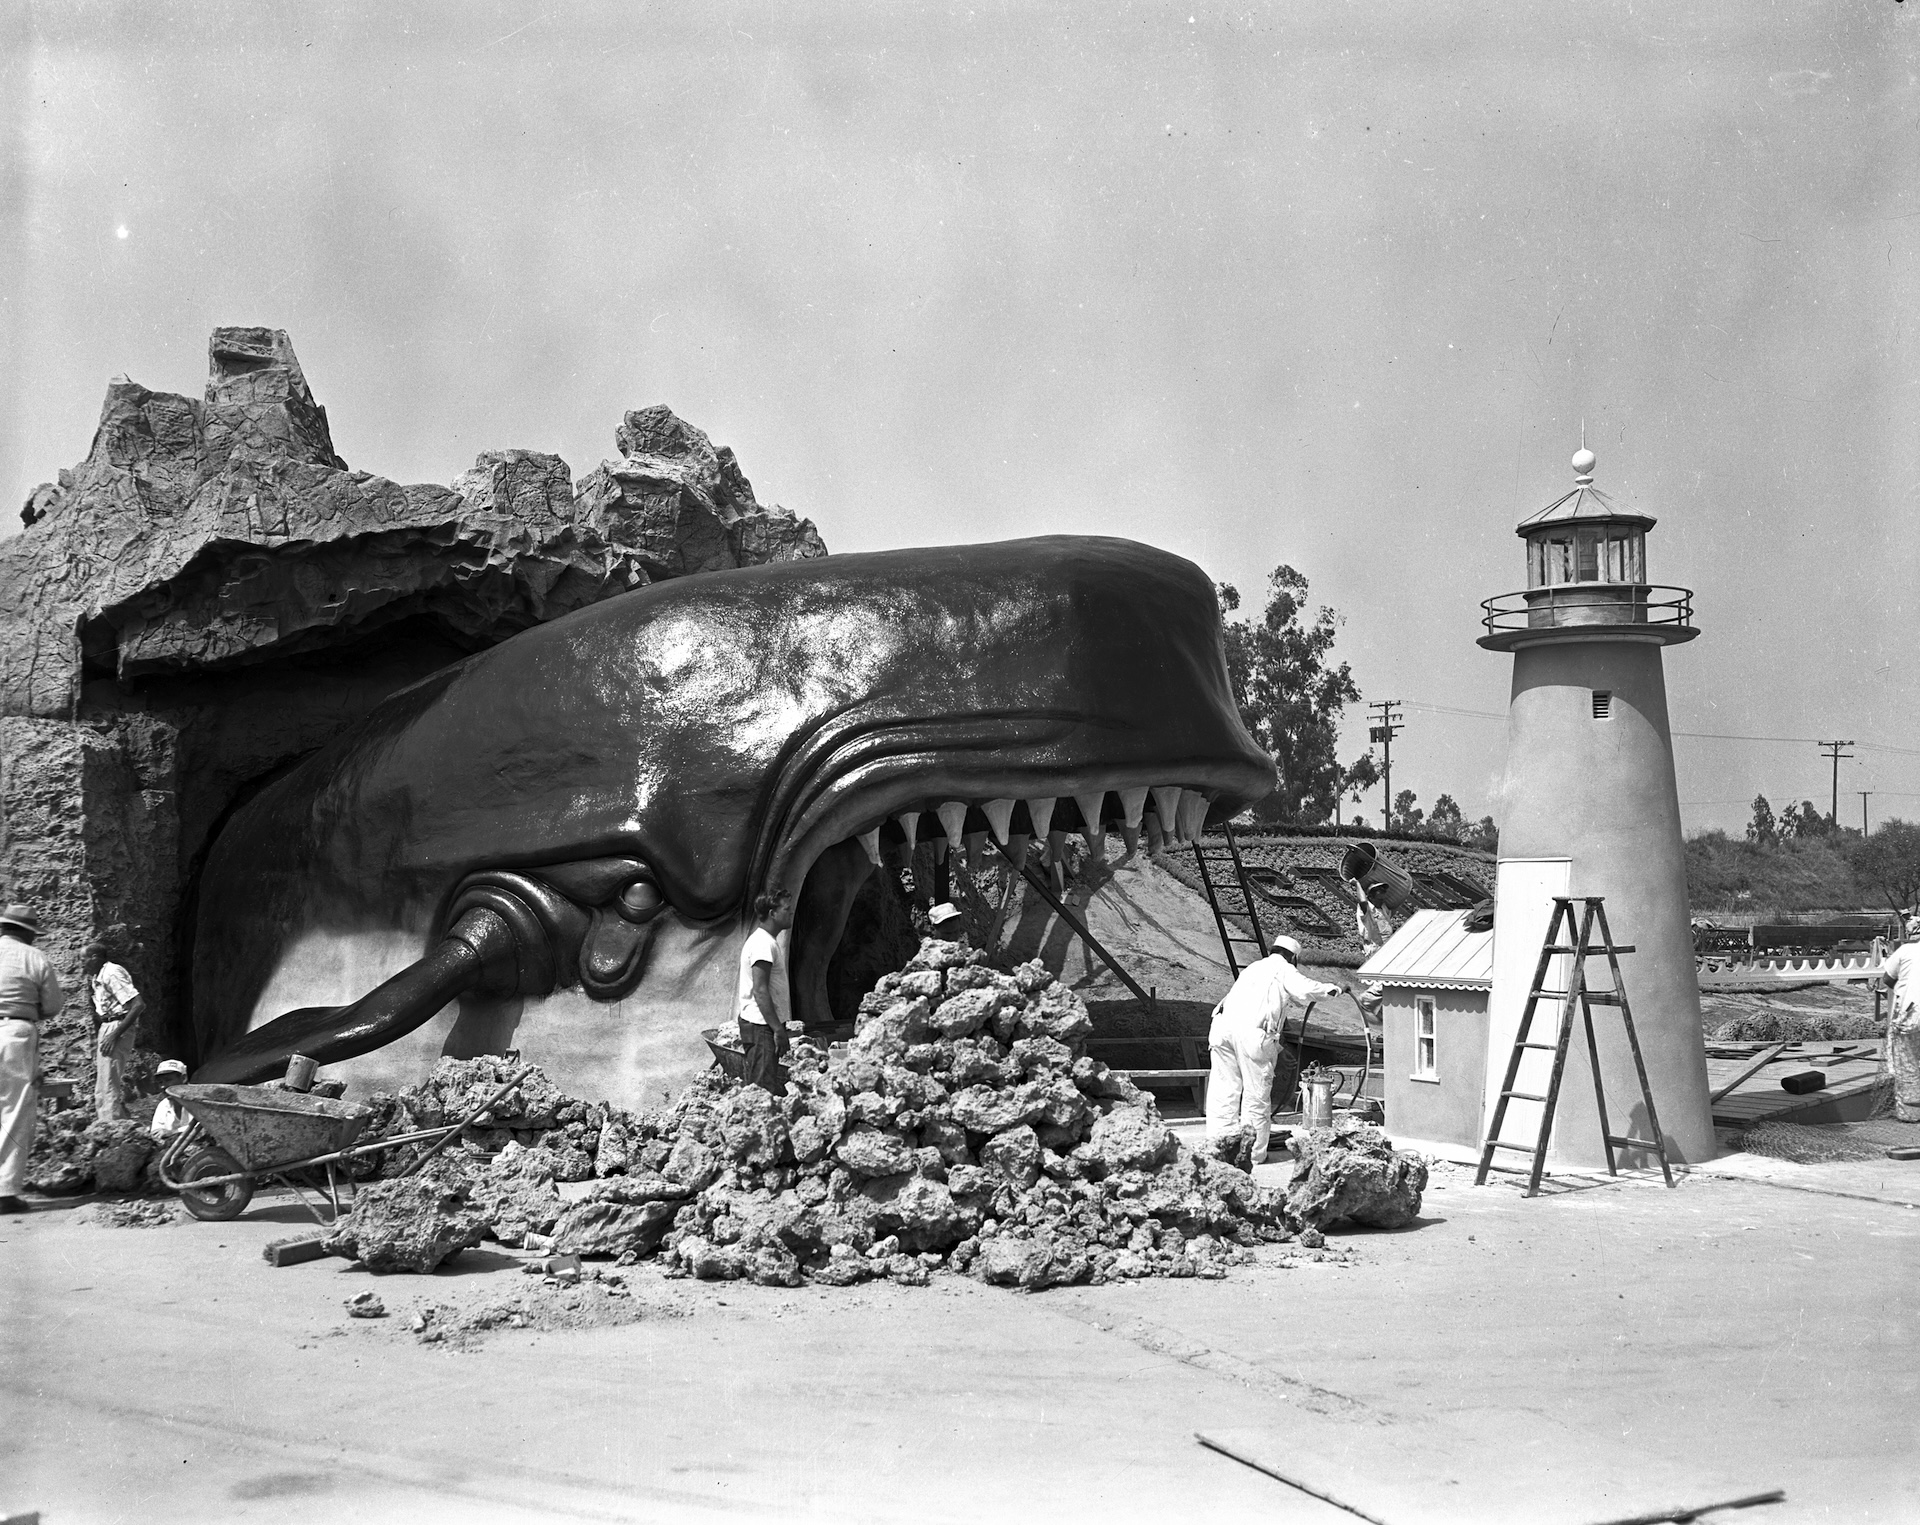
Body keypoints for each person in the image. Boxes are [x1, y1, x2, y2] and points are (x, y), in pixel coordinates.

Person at [1206, 934, 1340, 1169]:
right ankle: (1254, 1155)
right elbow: (1306, 990)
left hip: (1221, 1029)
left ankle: (1218, 1146)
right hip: (1252, 1035)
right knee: (1256, 1096)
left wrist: (1277, 1047)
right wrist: (1335, 989)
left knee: (1224, 1090)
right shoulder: (1283, 968)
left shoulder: (1252, 969)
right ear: (1292, 958)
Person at [0, 903, 64, 1213]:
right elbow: (52, 1005)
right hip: (16, 1033)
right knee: (14, 1110)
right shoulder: (34, 958)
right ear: (29, 933)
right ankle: (5, 1191)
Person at [736, 892, 794, 1094]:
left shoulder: (767, 941)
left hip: (763, 1025)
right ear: (773, 913)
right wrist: (778, 1030)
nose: (791, 912)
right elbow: (760, 990)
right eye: (786, 909)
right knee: (761, 1092)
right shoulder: (762, 944)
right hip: (761, 1026)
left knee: (762, 1088)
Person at [86, 940, 145, 1122]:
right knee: (104, 1082)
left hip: (116, 1026)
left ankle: (110, 1126)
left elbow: (137, 1005)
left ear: (95, 958)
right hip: (108, 1026)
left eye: (84, 959)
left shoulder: (112, 973)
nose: (81, 963)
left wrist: (114, 1034)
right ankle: (115, 1123)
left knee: (109, 1083)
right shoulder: (98, 978)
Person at [1880, 914, 1920, 1124]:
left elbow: (1887, 978)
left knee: (1907, 1064)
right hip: (1913, 1014)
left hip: (1909, 1017)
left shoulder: (1905, 951)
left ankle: (1910, 1115)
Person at [147, 1059, 190, 1136]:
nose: (163, 1086)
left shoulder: (199, 1102)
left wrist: (172, 1132)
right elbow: (156, 1133)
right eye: (160, 1082)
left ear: (183, 1078)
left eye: (168, 1080)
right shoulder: (163, 1106)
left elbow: (203, 1129)